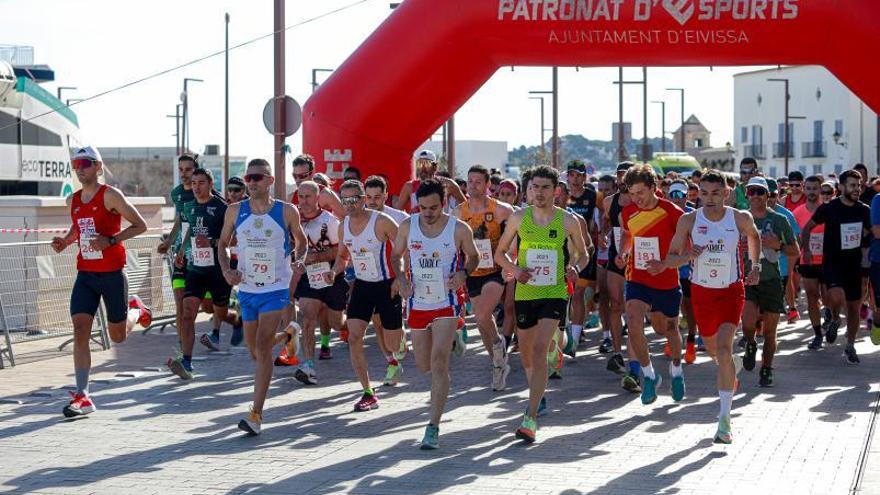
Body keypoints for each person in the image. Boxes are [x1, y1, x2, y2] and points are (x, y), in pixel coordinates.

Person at [663, 169, 761, 443]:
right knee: (715, 351)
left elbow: (754, 237)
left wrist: (756, 265)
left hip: (731, 291)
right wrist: (686, 256)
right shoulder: (689, 220)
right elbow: (671, 259)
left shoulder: (739, 217)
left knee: (725, 347)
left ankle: (724, 420)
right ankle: (729, 368)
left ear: (726, 193)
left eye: (716, 193)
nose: (709, 198)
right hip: (702, 293)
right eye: (704, 193)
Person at [53, 146, 149, 417]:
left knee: (117, 336)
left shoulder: (110, 195)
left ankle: (137, 310)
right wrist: (65, 241)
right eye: (76, 164)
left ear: (98, 166)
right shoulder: (72, 200)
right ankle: (83, 395)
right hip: (86, 274)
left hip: (111, 274)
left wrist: (111, 240)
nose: (79, 168)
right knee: (80, 328)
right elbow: (78, 228)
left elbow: (141, 225)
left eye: (85, 163)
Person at [495, 165, 589, 443]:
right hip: (526, 292)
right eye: (535, 187)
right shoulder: (518, 218)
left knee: (537, 351)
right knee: (527, 356)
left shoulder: (568, 221)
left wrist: (576, 269)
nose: (539, 192)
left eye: (545, 187)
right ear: (528, 190)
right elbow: (499, 253)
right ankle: (541, 387)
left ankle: (530, 417)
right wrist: (515, 269)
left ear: (556, 191)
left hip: (555, 291)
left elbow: (583, 254)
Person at [218, 159, 307, 435]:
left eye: (257, 177)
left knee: (261, 344)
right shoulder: (234, 211)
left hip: (275, 288)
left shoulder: (287, 211)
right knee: (256, 351)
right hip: (247, 289)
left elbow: (301, 241)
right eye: (249, 178)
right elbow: (221, 243)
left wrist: (299, 260)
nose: (252, 182)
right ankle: (290, 334)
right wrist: (226, 270)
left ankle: (256, 414)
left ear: (269, 180)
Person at [391, 179, 478, 449]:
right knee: (423, 365)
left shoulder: (458, 228)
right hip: (418, 301)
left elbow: (473, 257)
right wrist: (401, 279)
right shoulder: (408, 225)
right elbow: (396, 256)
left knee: (439, 363)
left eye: (433, 207)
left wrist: (463, 273)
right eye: (423, 207)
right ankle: (457, 336)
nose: (428, 213)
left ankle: (433, 426)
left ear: (444, 204)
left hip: (447, 300)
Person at [325, 180, 404, 411]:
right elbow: (342, 257)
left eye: (353, 199)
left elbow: (404, 248)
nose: (349, 204)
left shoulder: (381, 222)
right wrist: (333, 271)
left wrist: (401, 278)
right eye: (344, 200)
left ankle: (395, 356)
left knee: (392, 341)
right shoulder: (343, 225)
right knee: (354, 337)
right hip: (362, 286)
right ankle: (368, 392)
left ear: (362, 199)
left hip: (386, 285)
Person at [615, 164, 685, 405]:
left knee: (666, 329)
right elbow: (626, 234)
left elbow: (687, 247)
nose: (636, 199)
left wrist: (666, 263)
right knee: (633, 321)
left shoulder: (672, 212)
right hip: (638, 277)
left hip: (665, 279)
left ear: (653, 188)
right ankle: (648, 376)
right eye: (632, 194)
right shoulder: (628, 212)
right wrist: (623, 252)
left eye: (640, 193)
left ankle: (676, 370)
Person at [801, 169, 871, 364]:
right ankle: (833, 317)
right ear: (841, 187)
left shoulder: (863, 210)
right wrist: (806, 250)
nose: (857, 189)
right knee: (837, 296)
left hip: (854, 264)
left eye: (858, 185)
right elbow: (807, 229)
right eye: (852, 185)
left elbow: (870, 232)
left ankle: (850, 344)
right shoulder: (829, 208)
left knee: (854, 308)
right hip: (832, 263)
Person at [454, 165, 514, 391]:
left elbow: (515, 235)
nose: (473, 185)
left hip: (495, 271)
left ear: (489, 185)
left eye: (478, 181)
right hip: (472, 271)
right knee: (482, 322)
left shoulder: (500, 210)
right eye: (470, 181)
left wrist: (511, 261)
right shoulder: (459, 213)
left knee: (481, 315)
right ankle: (498, 361)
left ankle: (499, 355)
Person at [167, 169, 231, 379]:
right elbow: (190, 231)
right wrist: (182, 251)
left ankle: (228, 315)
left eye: (201, 183)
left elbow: (235, 238)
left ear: (210, 183)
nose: (196, 187)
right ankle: (186, 361)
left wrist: (212, 242)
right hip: (196, 268)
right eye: (193, 183)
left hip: (218, 269)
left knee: (217, 310)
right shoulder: (189, 206)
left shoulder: (222, 207)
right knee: (187, 313)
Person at [288, 181, 350, 385]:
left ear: (317, 199)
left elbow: (341, 252)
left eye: (308, 197)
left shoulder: (330, 221)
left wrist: (316, 257)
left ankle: (351, 323)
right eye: (300, 197)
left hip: (332, 276)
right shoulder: (294, 220)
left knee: (335, 323)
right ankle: (308, 365)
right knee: (307, 318)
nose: (303, 201)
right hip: (309, 279)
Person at [740, 177, 799, 387]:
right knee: (747, 323)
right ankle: (749, 343)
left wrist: (778, 245)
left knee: (770, 331)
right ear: (746, 194)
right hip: (746, 279)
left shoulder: (779, 220)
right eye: (751, 191)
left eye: (760, 192)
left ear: (767, 195)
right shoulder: (739, 219)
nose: (756, 196)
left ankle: (766, 368)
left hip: (772, 280)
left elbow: (795, 250)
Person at [364, 175, 410, 373]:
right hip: (371, 277)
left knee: (391, 323)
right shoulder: (360, 217)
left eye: (377, 197)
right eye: (369, 197)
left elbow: (408, 251)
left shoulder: (400, 218)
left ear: (385, 196)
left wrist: (402, 277)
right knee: (377, 322)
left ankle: (398, 341)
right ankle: (391, 363)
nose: (372, 201)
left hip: (394, 276)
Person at [157, 154, 198, 346]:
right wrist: (168, 242)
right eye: (180, 169)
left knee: (205, 306)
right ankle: (183, 348)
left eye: (188, 169)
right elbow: (181, 221)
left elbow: (195, 225)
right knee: (180, 303)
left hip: (200, 257)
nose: (184, 174)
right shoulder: (177, 193)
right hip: (182, 257)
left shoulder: (204, 193)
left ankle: (230, 308)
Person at [566, 160, 602, 346]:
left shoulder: (593, 195)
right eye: (571, 175)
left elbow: (605, 217)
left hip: (584, 250)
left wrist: (603, 234)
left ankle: (576, 334)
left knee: (578, 293)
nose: (575, 179)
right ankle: (570, 329)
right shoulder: (560, 195)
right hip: (563, 251)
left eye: (578, 175)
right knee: (569, 296)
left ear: (584, 177)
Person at [602, 163, 632, 376]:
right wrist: (603, 235)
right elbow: (606, 223)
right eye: (619, 176)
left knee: (634, 309)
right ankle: (617, 352)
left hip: (639, 259)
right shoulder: (608, 202)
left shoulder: (642, 201)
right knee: (615, 305)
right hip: (616, 258)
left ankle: (636, 351)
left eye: (626, 176)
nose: (622, 180)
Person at [793, 175, 828, 349]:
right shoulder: (798, 212)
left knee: (829, 297)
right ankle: (817, 334)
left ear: (820, 189)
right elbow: (794, 237)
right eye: (809, 188)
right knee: (812, 296)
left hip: (828, 260)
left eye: (815, 188)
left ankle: (830, 314)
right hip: (807, 259)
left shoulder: (828, 210)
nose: (812, 192)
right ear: (804, 189)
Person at [667, 181, 698, 364]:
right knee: (672, 307)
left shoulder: (694, 215)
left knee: (689, 305)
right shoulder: (663, 213)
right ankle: (672, 341)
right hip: (670, 266)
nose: (678, 199)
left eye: (681, 195)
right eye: (674, 195)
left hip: (688, 267)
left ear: (687, 196)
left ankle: (691, 340)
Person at [394, 150, 465, 213]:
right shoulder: (409, 186)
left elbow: (466, 206)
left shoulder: (448, 184)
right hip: (417, 227)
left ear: (435, 167)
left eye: (427, 163)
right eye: (420, 164)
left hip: (440, 227)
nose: (423, 168)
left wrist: (453, 220)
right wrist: (410, 220)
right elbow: (398, 212)